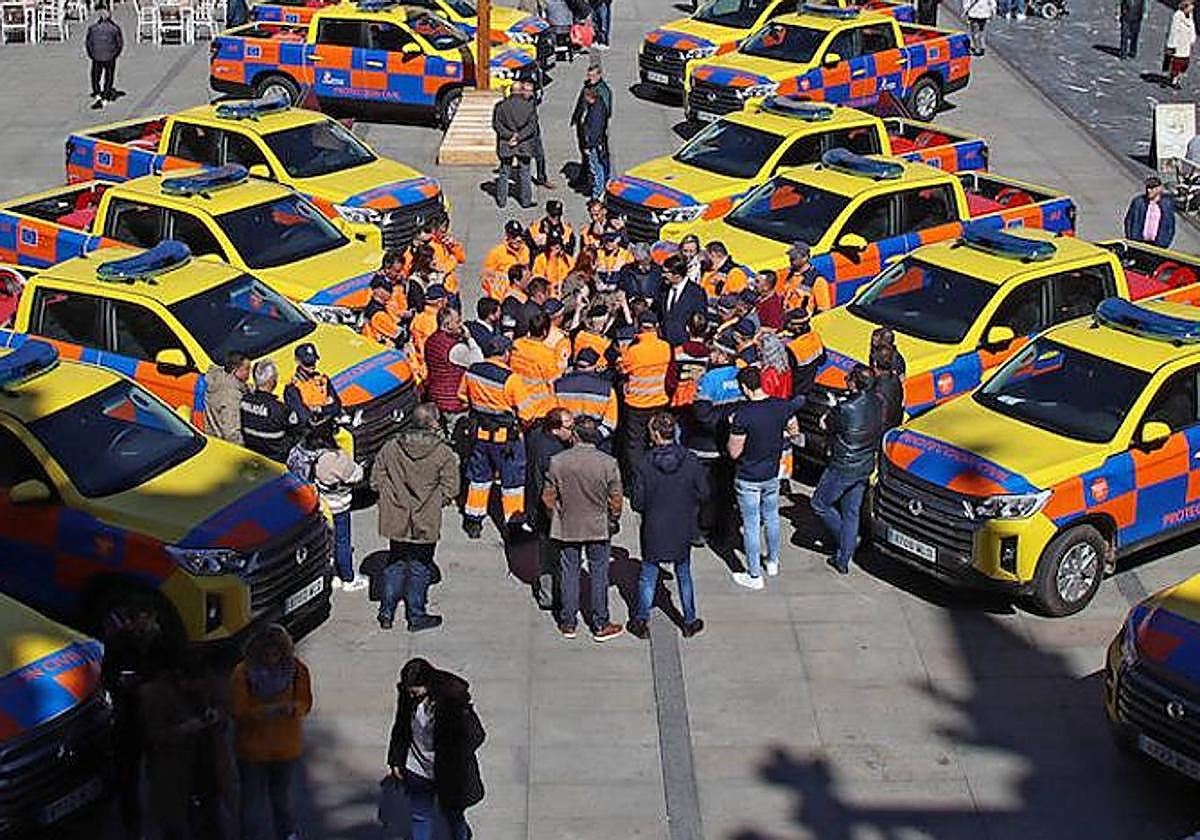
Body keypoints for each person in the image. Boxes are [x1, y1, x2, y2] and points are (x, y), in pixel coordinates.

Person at [372, 403, 459, 631]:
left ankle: (386, 613)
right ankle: (416, 615)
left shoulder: (391, 447)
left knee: (395, 561)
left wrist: (390, 498)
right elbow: (451, 488)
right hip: (425, 518)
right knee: (420, 566)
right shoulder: (443, 453)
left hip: (395, 516)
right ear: (433, 423)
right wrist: (434, 503)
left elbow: (376, 479)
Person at [628, 412, 709, 639]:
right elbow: (704, 492)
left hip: (654, 525)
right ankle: (689, 620)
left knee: (648, 575)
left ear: (655, 434)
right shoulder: (691, 460)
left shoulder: (644, 463)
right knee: (683, 573)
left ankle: (641, 620)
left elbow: (637, 502)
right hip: (682, 524)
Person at [542, 416, 624, 641]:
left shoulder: (558, 461)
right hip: (598, 525)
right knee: (599, 574)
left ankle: (568, 622)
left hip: (567, 524)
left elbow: (548, 497)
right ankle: (600, 623)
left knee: (569, 573)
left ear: (575, 435)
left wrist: (555, 516)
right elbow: (616, 498)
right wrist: (613, 519)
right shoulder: (608, 463)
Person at [387, 658, 486, 840]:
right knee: (420, 816)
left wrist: (455, 758)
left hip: (447, 771)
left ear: (427, 684)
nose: (411, 695)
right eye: (409, 691)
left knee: (453, 815)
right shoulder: (408, 695)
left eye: (415, 691)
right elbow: (401, 726)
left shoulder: (453, 701)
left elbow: (476, 735)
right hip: (417, 767)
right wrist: (396, 759)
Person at [230, 624, 312, 840]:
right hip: (253, 751)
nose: (272, 658)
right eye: (267, 653)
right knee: (251, 803)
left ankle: (286, 835)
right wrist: (266, 712)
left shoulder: (297, 670)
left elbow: (305, 702)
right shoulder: (242, 674)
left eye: (276, 653)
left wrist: (294, 709)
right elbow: (238, 710)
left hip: (285, 750)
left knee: (281, 801)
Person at [726, 366, 803, 589]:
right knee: (771, 517)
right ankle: (772, 561)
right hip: (772, 473)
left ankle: (754, 575)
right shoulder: (781, 406)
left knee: (751, 525)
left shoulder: (743, 415)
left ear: (744, 388)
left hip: (748, 476)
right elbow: (794, 429)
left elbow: (734, 452)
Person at [139, 655, 225, 840]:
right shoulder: (156, 694)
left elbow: (221, 703)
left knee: (211, 811)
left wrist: (216, 714)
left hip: (205, 758)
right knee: (177, 820)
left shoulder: (206, 680)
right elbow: (153, 733)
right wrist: (183, 729)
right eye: (192, 684)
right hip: (174, 766)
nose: (197, 688)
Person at [458, 336, 537, 538]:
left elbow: (462, 397)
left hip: (479, 435)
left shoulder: (472, 371)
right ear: (506, 354)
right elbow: (528, 414)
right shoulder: (511, 379)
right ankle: (514, 525)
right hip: (506, 440)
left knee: (479, 478)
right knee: (512, 483)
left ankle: (473, 520)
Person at [811, 364, 883, 574]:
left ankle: (846, 541)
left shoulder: (845, 408)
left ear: (855, 383)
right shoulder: (877, 401)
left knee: (819, 504)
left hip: (843, 465)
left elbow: (825, 425)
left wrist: (830, 413)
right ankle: (843, 557)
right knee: (851, 511)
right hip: (864, 463)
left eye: (848, 378)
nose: (846, 380)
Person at [287, 418, 365, 592]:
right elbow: (356, 476)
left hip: (318, 504)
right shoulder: (335, 457)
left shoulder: (302, 451)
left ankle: (334, 574)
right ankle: (348, 578)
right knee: (342, 541)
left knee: (327, 541)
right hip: (338, 505)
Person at [526, 407, 575, 609]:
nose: (572, 431)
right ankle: (555, 595)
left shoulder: (537, 436)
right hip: (550, 512)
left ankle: (547, 595)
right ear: (555, 429)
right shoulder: (554, 454)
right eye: (569, 427)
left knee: (546, 554)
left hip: (536, 508)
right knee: (553, 556)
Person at [618, 310, 672, 482]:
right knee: (658, 440)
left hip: (637, 405)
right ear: (656, 327)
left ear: (638, 326)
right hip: (659, 401)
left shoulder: (633, 351)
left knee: (636, 446)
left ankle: (638, 480)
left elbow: (622, 368)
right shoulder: (665, 347)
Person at [554, 347, 619, 447]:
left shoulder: (559, 386)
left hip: (568, 437)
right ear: (595, 365)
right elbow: (611, 423)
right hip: (598, 440)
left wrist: (568, 434)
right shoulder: (607, 389)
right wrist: (596, 437)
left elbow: (555, 415)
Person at [240, 359, 301, 464]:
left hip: (252, 453)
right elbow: (298, 431)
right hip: (278, 458)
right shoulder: (281, 410)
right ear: (271, 382)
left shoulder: (243, 401)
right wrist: (292, 393)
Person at [493, 83, 538, 209]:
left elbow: (497, 125)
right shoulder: (529, 107)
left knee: (504, 172)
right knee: (525, 173)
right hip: (523, 144)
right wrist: (518, 137)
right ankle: (526, 201)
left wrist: (509, 136)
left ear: (510, 91)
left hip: (506, 143)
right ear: (521, 91)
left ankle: (501, 200)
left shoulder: (501, 106)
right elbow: (532, 126)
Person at [572, 65, 614, 189]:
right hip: (583, 127)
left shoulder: (603, 91)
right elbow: (580, 103)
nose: (590, 78)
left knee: (600, 156)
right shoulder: (587, 86)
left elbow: (605, 112)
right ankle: (585, 177)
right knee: (585, 153)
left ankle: (603, 181)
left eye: (593, 75)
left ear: (599, 75)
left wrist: (596, 129)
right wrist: (576, 119)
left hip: (595, 129)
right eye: (589, 75)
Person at [283, 342, 342, 425]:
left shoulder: (323, 379)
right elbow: (306, 418)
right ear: (298, 361)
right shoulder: (292, 388)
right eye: (307, 363)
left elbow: (337, 406)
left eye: (313, 361)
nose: (312, 366)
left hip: (331, 426)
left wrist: (319, 409)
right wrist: (327, 408)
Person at [656, 254, 708, 346]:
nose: (662, 275)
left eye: (666, 272)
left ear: (677, 275)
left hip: (684, 345)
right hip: (664, 344)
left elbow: (700, 320)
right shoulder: (663, 288)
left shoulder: (696, 293)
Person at [204, 350, 250, 445]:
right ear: (235, 370)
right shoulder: (231, 396)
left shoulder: (217, 379)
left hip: (212, 437)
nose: (249, 374)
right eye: (246, 369)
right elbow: (231, 432)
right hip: (225, 444)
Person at [86, 5, 124, 111]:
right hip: (110, 56)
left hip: (96, 56)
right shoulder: (115, 29)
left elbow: (88, 43)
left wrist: (92, 54)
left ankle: (97, 93)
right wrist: (115, 54)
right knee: (109, 76)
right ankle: (106, 95)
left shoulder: (93, 28)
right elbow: (120, 43)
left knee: (95, 75)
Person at [482, 221, 532, 299]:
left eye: (520, 235)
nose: (518, 239)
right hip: (502, 297)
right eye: (514, 236)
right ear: (507, 236)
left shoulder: (525, 250)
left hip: (521, 295)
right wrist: (494, 297)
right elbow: (486, 278)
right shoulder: (496, 253)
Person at [1124, 175, 1177, 248]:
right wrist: (1131, 238)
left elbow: (1170, 226)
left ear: (1159, 188)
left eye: (1152, 188)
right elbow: (1129, 221)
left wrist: (1165, 242)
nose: (1149, 190)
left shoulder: (1167, 204)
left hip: (1158, 245)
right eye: (1148, 188)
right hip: (1138, 242)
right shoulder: (1138, 202)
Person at [779, 242, 832, 314]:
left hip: (801, 319)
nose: (791, 259)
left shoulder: (818, 280)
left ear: (805, 257)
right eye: (790, 256)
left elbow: (824, 310)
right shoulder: (789, 274)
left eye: (794, 257)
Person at [580, 85, 611, 200]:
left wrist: (588, 146)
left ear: (589, 97)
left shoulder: (595, 111)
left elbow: (594, 131)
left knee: (596, 169)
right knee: (600, 168)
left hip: (594, 145)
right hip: (598, 143)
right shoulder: (599, 105)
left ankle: (597, 194)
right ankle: (600, 191)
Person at [871, 343, 905, 432]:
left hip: (881, 429)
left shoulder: (877, 387)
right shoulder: (895, 379)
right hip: (894, 422)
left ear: (875, 364)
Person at [1166, 1, 1197, 89]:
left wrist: (1192, 38)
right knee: (1178, 62)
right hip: (1179, 44)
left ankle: (1176, 77)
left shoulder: (1190, 16)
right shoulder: (1178, 16)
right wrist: (1172, 44)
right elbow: (1173, 30)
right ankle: (1174, 80)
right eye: (1191, 6)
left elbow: (1192, 27)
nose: (1192, 8)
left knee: (1185, 63)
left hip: (1186, 44)